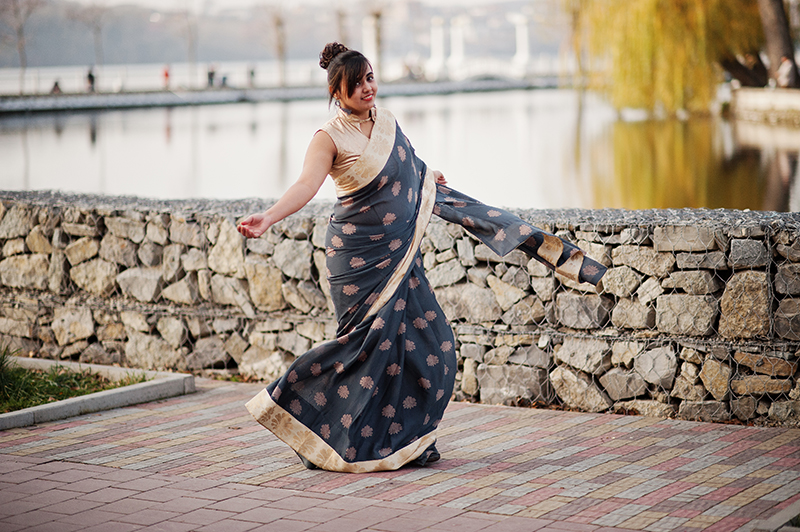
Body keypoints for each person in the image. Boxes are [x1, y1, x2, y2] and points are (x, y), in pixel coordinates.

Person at [238, 42, 606, 473]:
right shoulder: (328, 137)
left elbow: (405, 167)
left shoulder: (388, 122)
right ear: (336, 91)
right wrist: (269, 216)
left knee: (433, 345)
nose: (366, 88)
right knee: (366, 350)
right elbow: (305, 186)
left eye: (370, 77)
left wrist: (425, 175)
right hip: (357, 258)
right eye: (355, 83)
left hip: (400, 252)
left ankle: (404, 441)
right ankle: (314, 424)